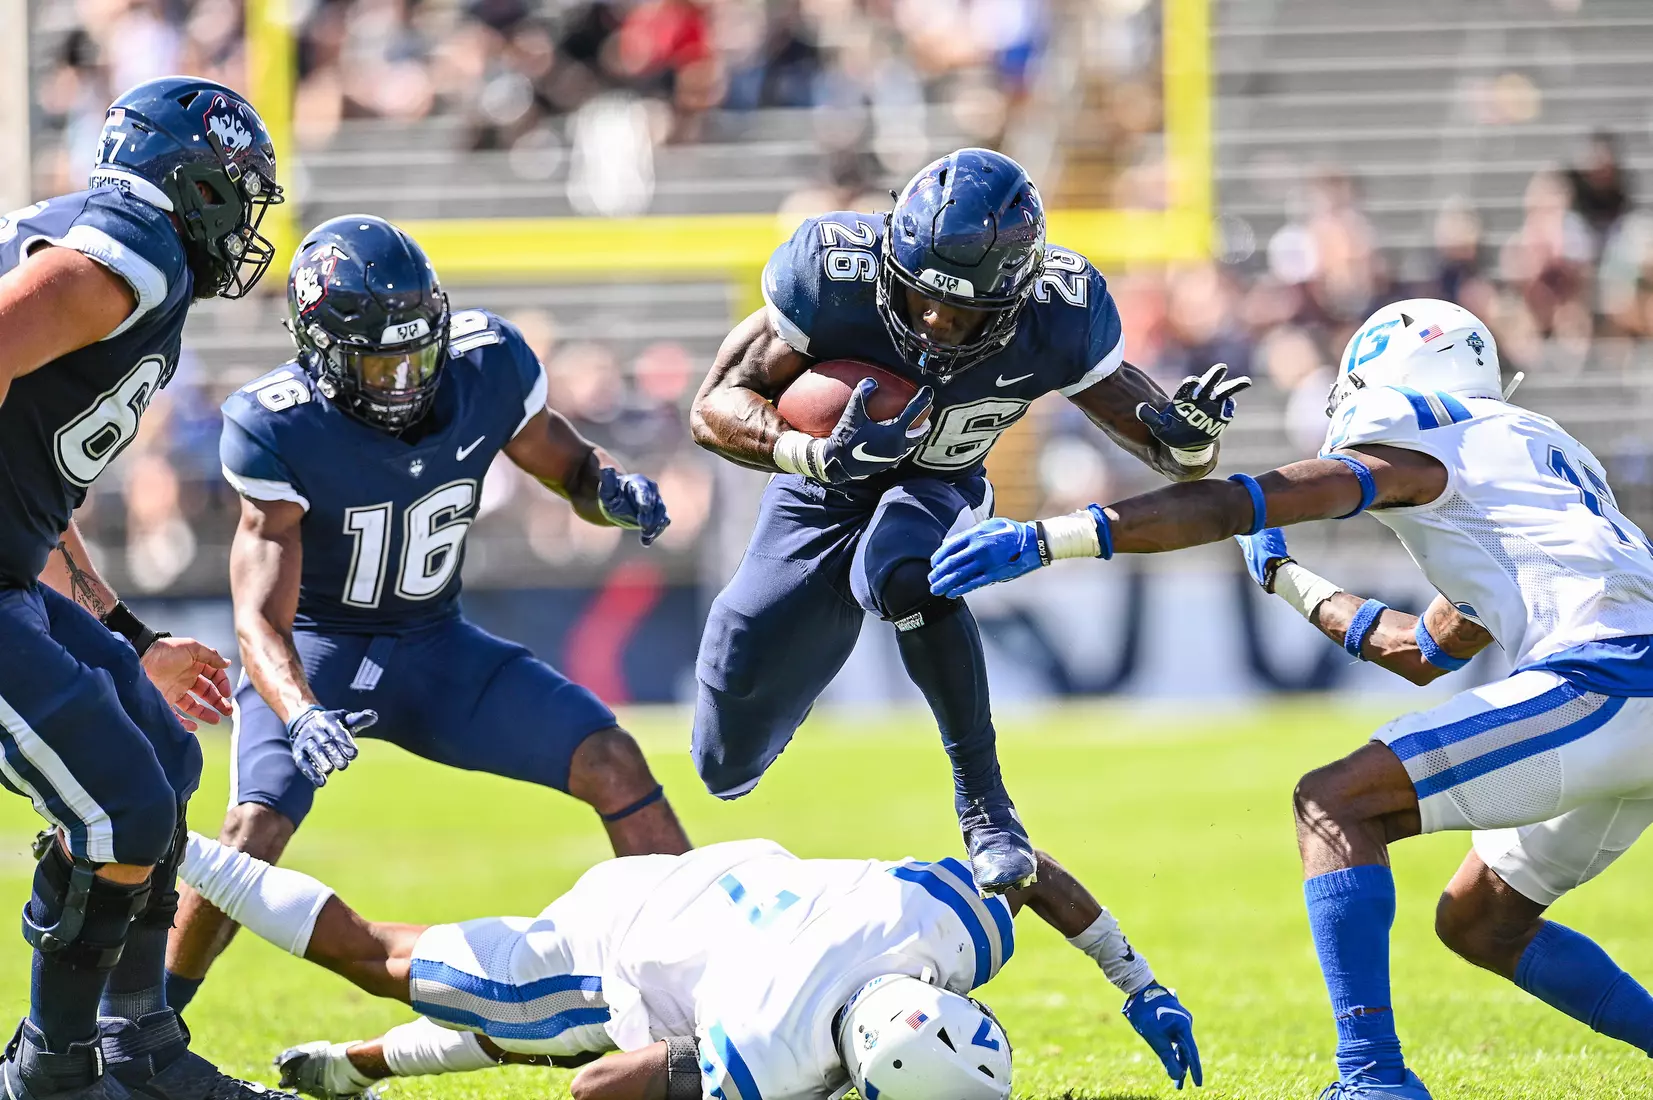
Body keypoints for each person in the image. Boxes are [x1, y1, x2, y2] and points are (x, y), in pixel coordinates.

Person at [929, 297, 1653, 1099]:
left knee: (1332, 804)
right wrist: (1283, 578)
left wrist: (1047, 537)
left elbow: (1236, 501)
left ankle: (1371, 1079)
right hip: (1624, 682)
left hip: (1614, 679)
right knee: (1480, 920)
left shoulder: (1425, 439)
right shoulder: (1523, 458)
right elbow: (1418, 650)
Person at [163, 215, 691, 1014]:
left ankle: (700, 962)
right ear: (322, 353)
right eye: (380, 361)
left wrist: (609, 490)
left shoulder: (487, 364)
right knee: (250, 837)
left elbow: (569, 464)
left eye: (418, 350)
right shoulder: (275, 423)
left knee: (612, 759)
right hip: (320, 646)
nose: (405, 377)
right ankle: (146, 1021)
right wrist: (301, 711)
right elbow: (259, 624)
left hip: (435, 644)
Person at [688, 147, 1249, 892]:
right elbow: (712, 407)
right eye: (921, 296)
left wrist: (1191, 438)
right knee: (724, 740)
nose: (934, 321)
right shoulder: (831, 272)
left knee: (903, 575)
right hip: (818, 486)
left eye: (964, 310)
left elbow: (1175, 459)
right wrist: (811, 453)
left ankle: (985, 805)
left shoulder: (1058, 313)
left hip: (937, 480)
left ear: (1015, 296)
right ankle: (769, 703)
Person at [0, 75, 293, 1100]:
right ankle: (54, 1074)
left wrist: (124, 631)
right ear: (188, 180)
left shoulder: (122, 253)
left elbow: (26, 488)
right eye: (234, 188)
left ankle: (137, 1047)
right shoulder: (138, 243)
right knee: (117, 806)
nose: (243, 218)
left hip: (11, 580)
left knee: (159, 762)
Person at [177, 833, 1202, 1099]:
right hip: (616, 941)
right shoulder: (773, 1044)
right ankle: (174, 846)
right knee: (382, 955)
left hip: (712, 888)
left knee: (529, 1034)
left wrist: (1138, 978)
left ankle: (354, 1067)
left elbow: (1021, 870)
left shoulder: (927, 923)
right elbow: (596, 1084)